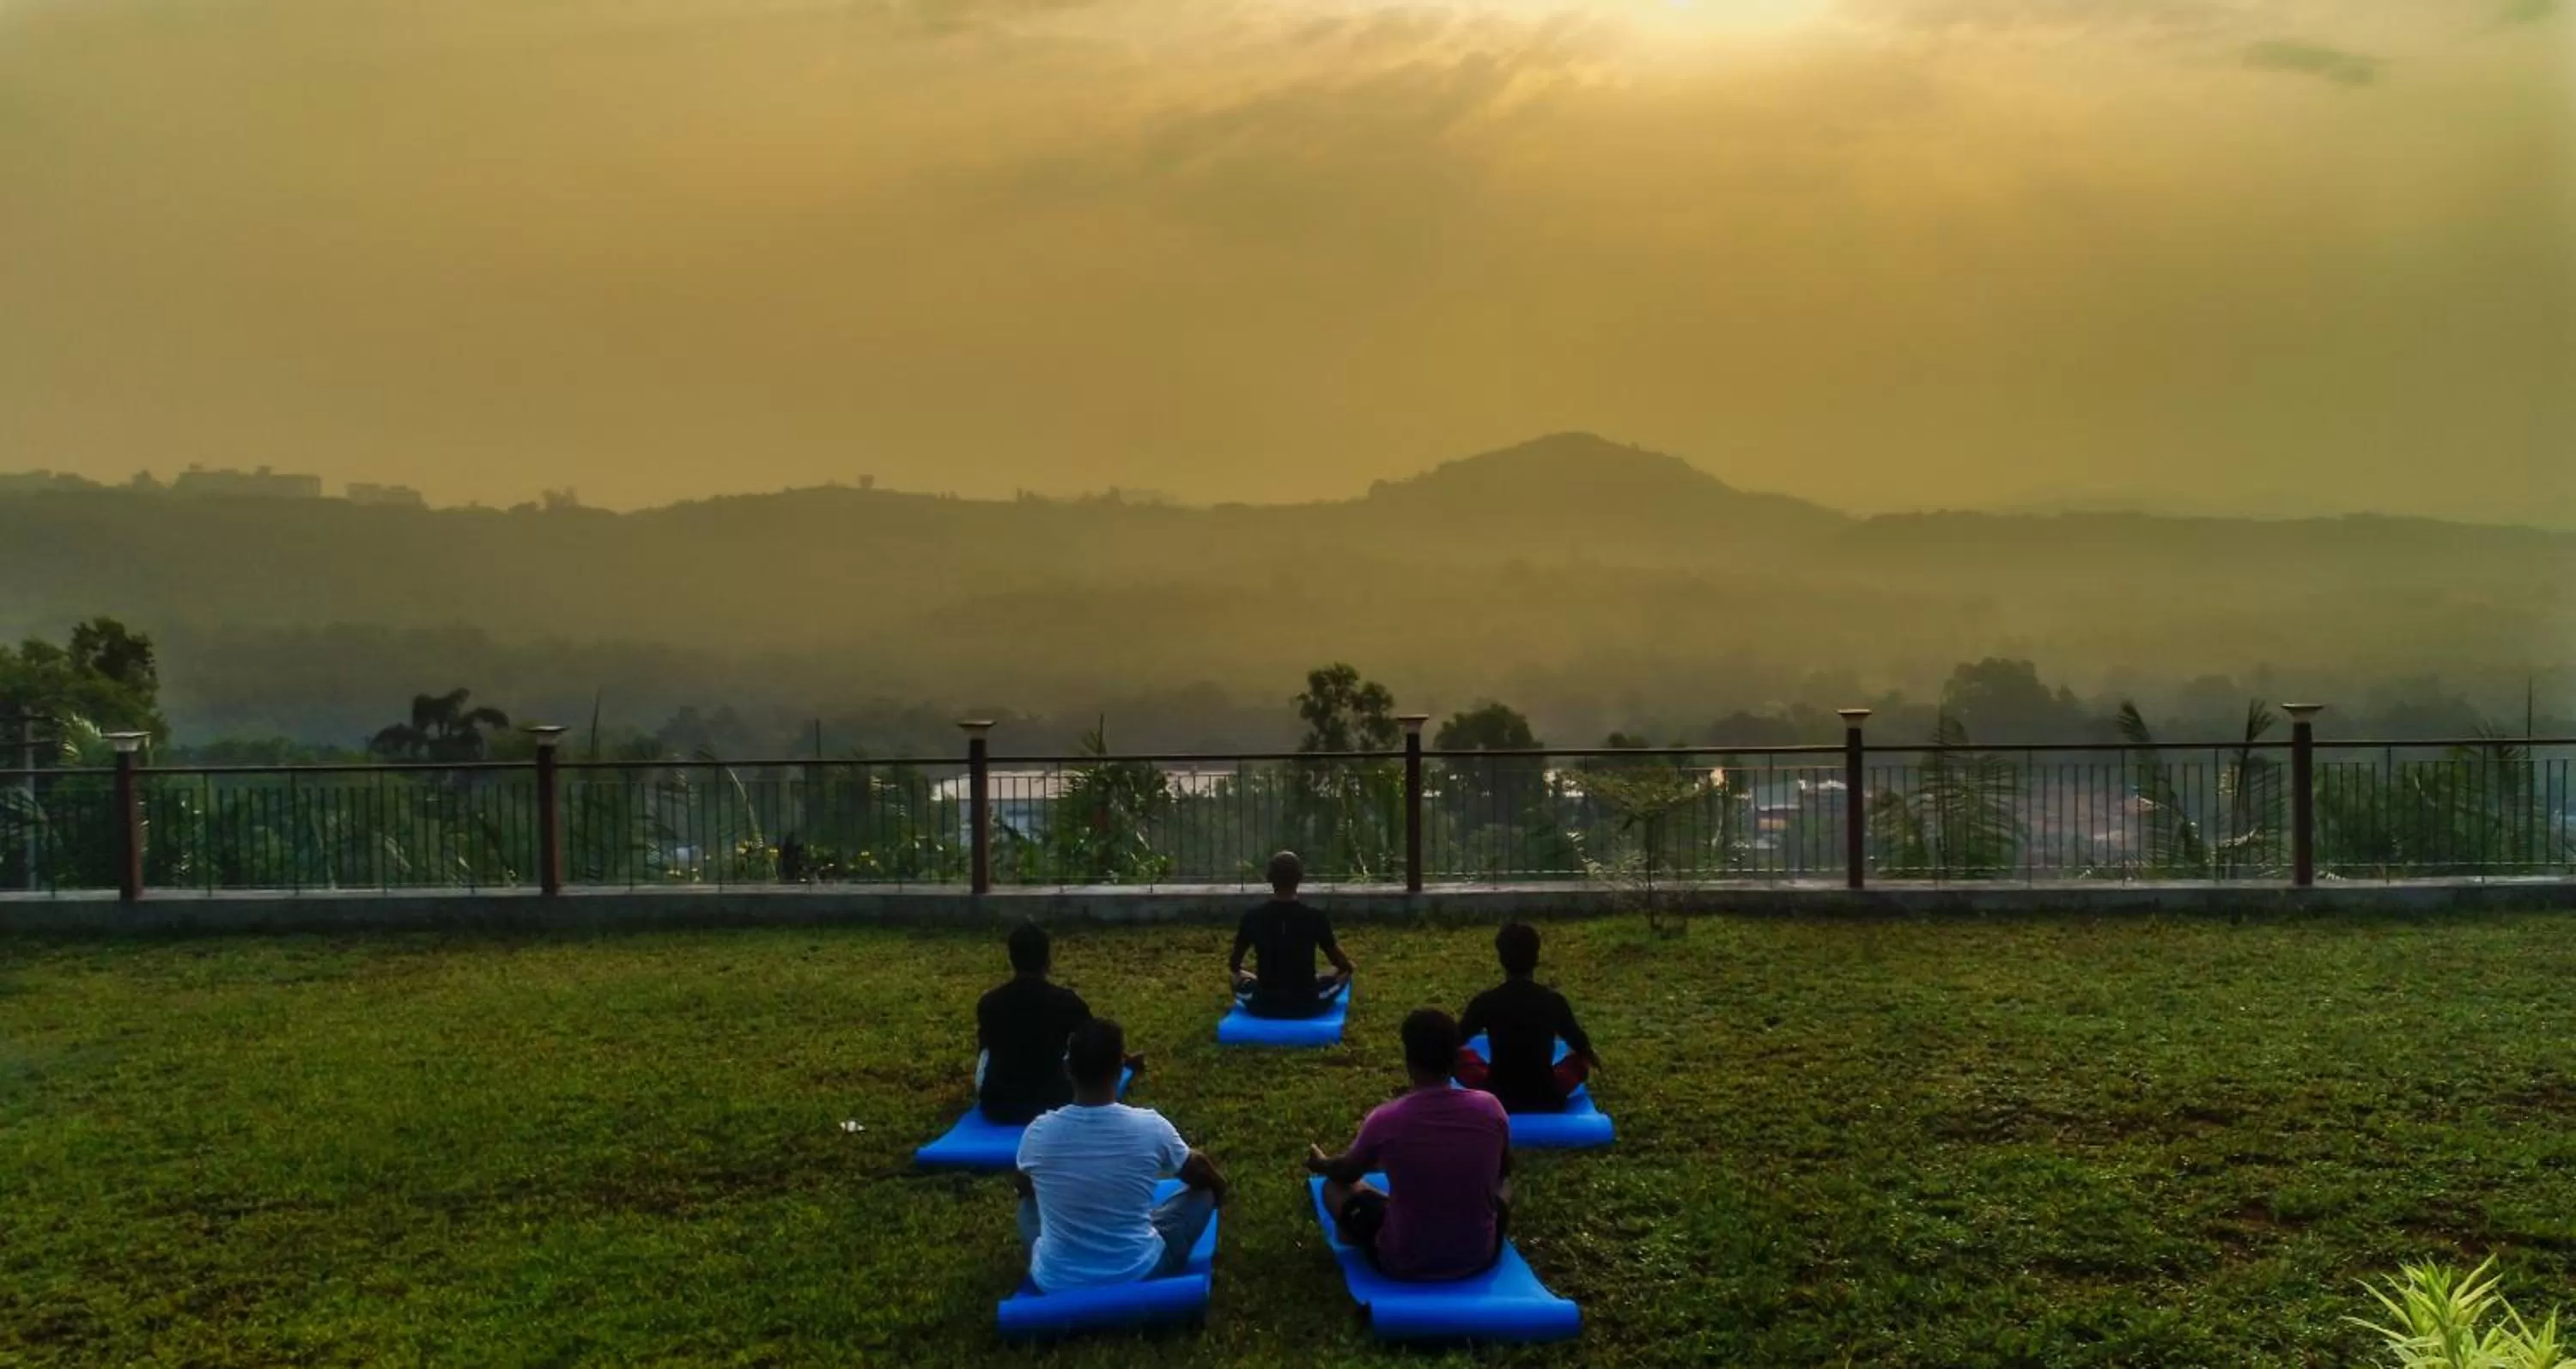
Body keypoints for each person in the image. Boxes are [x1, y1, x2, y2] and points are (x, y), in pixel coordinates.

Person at [1012, 1019, 1226, 1292]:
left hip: (1055, 1280)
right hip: (1141, 1271)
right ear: (1119, 1069)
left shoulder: (1038, 1132)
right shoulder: (1151, 1126)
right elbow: (1198, 1173)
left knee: (1028, 1207)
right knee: (1204, 1194)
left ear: (1067, 1070)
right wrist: (1219, 1188)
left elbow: (1023, 1187)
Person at [1306, 1008, 1512, 1281]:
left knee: (1335, 1189)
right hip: (1478, 1256)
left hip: (1403, 1259)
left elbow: (1346, 1173)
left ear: (1409, 1061)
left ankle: (1359, 1232)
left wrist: (1321, 1163)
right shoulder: (1491, 1108)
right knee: (1506, 1184)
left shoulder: (1387, 1119)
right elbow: (1502, 1172)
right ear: (1455, 1059)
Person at [975, 923, 1139, 1124]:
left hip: (999, 1105)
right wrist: (1126, 1060)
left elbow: (986, 1049)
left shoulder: (989, 1003)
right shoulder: (1069, 1003)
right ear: (1047, 960)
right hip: (1054, 1101)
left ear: (1011, 959)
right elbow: (1093, 1046)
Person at [1455, 922, 1600, 1113]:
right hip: (1547, 1096)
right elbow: (1580, 1044)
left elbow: (1455, 1039)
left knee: (1457, 1057)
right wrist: (1590, 1058)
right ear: (1536, 958)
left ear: (1501, 959)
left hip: (1497, 1096)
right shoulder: (1552, 1001)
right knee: (1578, 1060)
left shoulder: (1487, 1001)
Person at [1230, 850, 1354, 1019]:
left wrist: (1251, 977)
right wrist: (1323, 977)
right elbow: (1342, 964)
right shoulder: (1315, 917)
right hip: (1307, 1004)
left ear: (1269, 878)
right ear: (1300, 878)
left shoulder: (1252, 917)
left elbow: (1234, 965)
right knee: (1345, 973)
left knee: (1236, 977)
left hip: (1264, 1005)